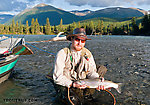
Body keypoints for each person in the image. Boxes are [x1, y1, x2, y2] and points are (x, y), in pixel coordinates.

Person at [52, 28, 107, 104]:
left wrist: (98, 81)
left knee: (102, 69)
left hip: (81, 81)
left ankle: (87, 94)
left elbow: (91, 72)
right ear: (72, 39)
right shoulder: (62, 53)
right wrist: (72, 84)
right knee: (73, 100)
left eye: (83, 41)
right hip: (68, 82)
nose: (80, 43)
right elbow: (57, 77)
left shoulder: (87, 54)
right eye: (77, 40)